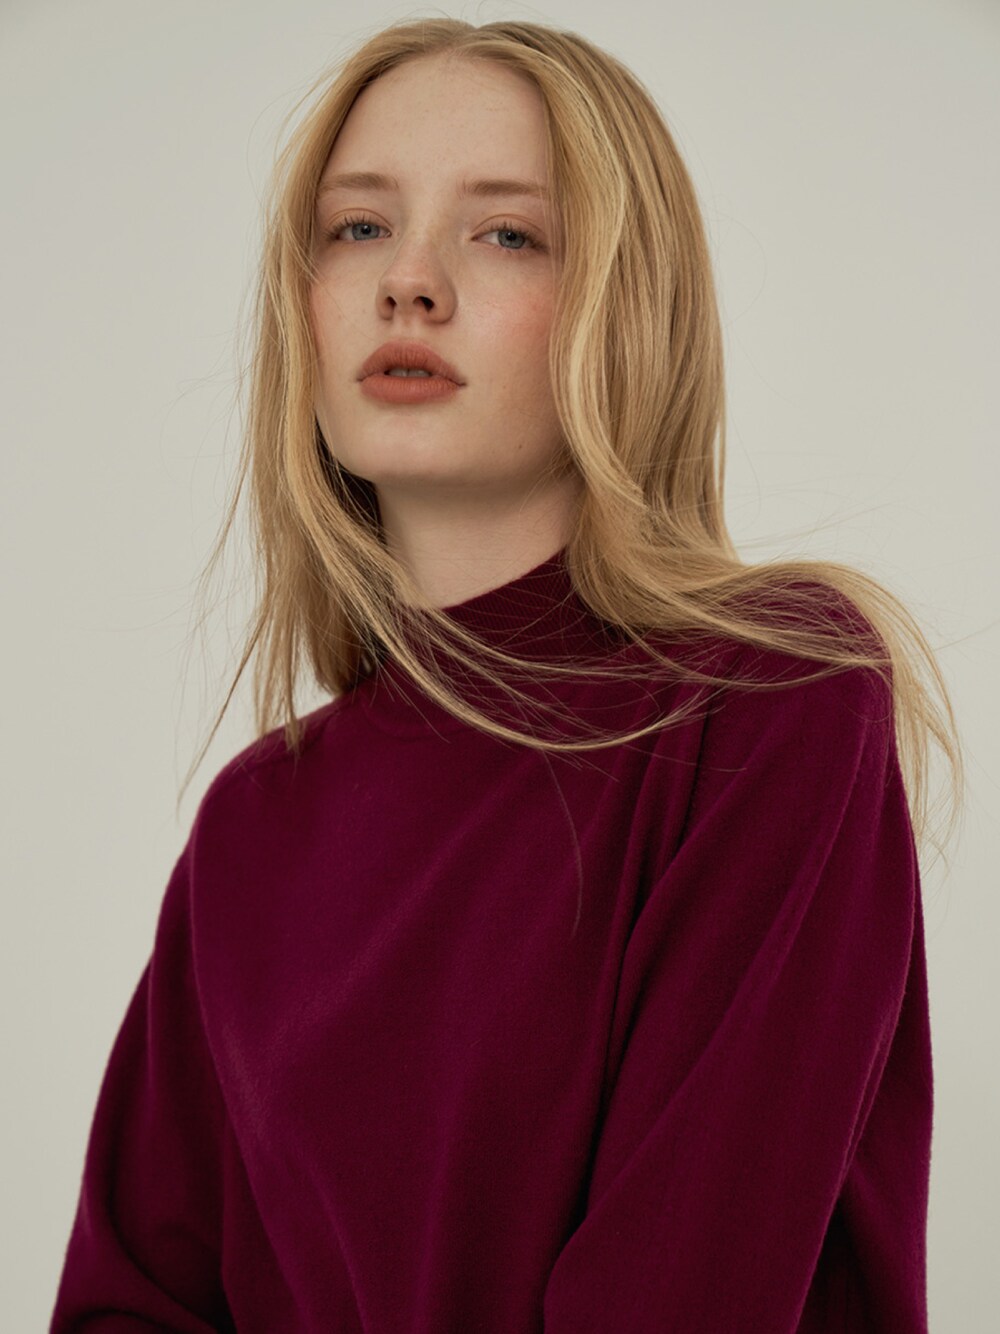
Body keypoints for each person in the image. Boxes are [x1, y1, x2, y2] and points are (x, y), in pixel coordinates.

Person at [50, 17, 963, 1333]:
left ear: (625, 309)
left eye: (506, 234)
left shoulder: (772, 703)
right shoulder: (253, 824)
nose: (408, 282)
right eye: (359, 226)